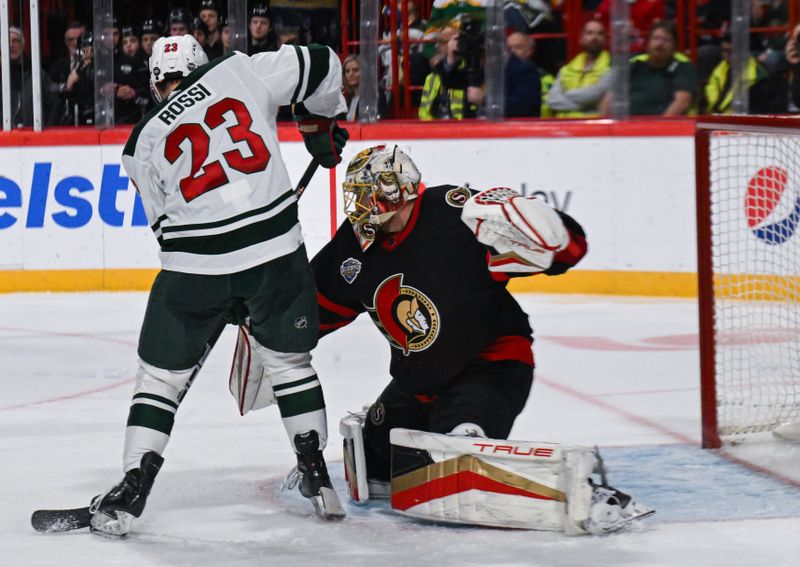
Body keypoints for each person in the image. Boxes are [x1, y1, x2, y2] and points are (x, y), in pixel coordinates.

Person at [87, 34, 350, 537]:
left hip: (194, 268)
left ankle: (133, 482)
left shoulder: (139, 141)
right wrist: (321, 121)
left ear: (155, 83)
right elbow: (323, 62)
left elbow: (165, 229)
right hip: (274, 250)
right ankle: (316, 472)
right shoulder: (238, 70)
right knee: (289, 363)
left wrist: (217, 285)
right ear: (200, 64)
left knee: (161, 380)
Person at [310, 144, 587, 493]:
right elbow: (312, 307)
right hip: (419, 382)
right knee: (373, 466)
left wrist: (553, 234)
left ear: (398, 187)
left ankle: (552, 483)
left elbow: (566, 249)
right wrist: (268, 323)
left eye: (369, 194)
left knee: (457, 455)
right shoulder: (354, 246)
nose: (362, 206)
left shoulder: (452, 213)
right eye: (357, 196)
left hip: (489, 366)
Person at [600, 21, 698, 116]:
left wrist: (659, 128)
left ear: (674, 46)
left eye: (666, 40)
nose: (660, 44)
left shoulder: (683, 68)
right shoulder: (635, 66)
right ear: (648, 42)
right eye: (656, 38)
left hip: (663, 128)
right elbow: (610, 97)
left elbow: (682, 101)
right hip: (627, 126)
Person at [546, 19, 611, 118]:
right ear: (581, 38)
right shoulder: (567, 69)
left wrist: (565, 95)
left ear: (605, 39)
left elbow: (595, 95)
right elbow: (552, 99)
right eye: (589, 33)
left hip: (592, 126)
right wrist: (585, 105)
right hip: (561, 126)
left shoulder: (612, 67)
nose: (595, 37)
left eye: (600, 34)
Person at [343, 54, 387, 121]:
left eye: (355, 70)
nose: (351, 74)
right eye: (347, 71)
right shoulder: (349, 98)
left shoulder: (374, 93)